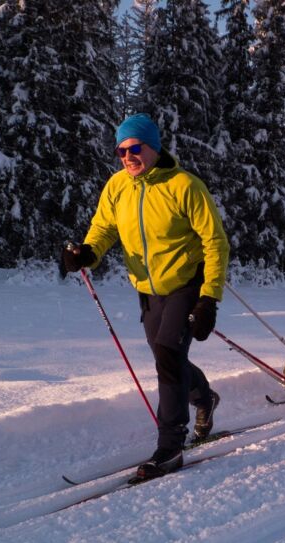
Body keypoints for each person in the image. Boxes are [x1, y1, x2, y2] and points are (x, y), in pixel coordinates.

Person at [61, 113, 230, 480]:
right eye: (120, 150)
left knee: (169, 354)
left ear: (152, 147)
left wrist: (208, 299)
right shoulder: (118, 186)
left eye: (134, 148)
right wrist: (88, 253)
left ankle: (170, 446)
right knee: (165, 357)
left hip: (187, 283)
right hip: (147, 290)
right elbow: (104, 227)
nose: (127, 157)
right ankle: (204, 398)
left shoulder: (185, 185)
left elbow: (215, 243)